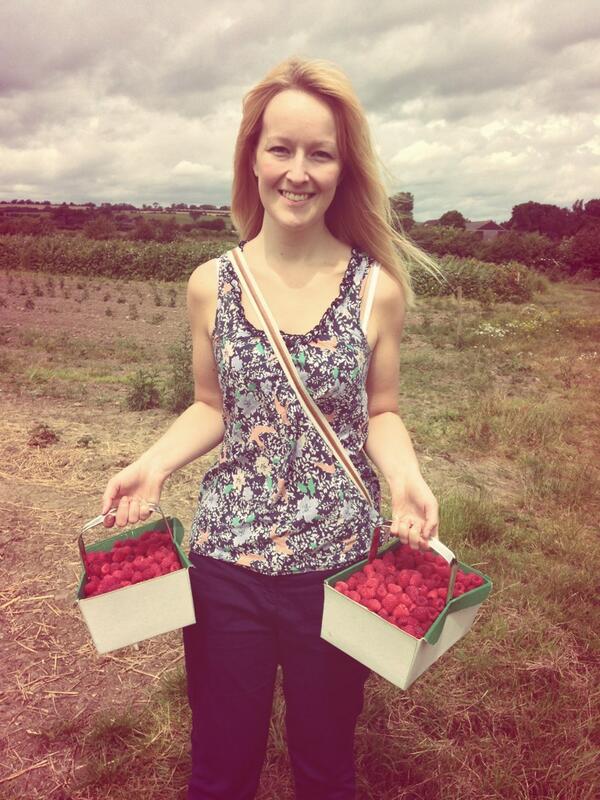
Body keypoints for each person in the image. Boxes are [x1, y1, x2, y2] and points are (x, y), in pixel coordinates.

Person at [101, 56, 443, 800]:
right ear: (252, 158)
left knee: (325, 767)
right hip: (228, 566)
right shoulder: (210, 284)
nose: (298, 171)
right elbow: (212, 405)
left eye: (319, 153)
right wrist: (154, 465)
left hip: (338, 567)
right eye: (280, 149)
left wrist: (405, 478)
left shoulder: (376, 290)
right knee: (222, 768)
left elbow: (380, 410)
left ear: (341, 168)